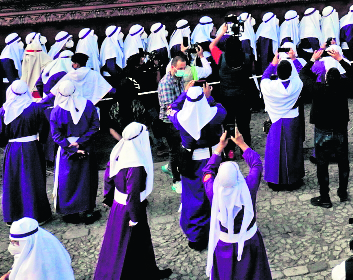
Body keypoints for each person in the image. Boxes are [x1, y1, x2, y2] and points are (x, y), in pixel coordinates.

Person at [93, 122, 173, 280]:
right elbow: (133, 193)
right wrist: (135, 217)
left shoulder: (120, 150)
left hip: (120, 206)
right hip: (129, 211)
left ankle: (146, 272)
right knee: (131, 244)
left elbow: (109, 173)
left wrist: (109, 197)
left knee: (121, 243)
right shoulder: (135, 163)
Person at [201, 128, 272, 280]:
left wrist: (219, 148)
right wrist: (241, 143)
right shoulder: (248, 187)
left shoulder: (212, 190)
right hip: (249, 240)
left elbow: (207, 171)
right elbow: (257, 165)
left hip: (224, 243)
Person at [171, 83, 227, 250]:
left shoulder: (180, 118)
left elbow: (171, 108)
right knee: (215, 194)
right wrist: (208, 97)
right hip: (212, 158)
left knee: (193, 197)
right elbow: (221, 109)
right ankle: (218, 230)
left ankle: (196, 235)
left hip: (190, 160)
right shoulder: (214, 113)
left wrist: (184, 94)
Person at [303, 46, 351, 208]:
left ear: (325, 79)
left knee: (322, 164)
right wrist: (339, 59)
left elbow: (303, 75)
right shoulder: (344, 87)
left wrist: (312, 60)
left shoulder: (318, 89)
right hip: (339, 129)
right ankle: (343, 192)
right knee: (343, 162)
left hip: (322, 130)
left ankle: (325, 197)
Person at [0, 80, 54, 224]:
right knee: (33, 180)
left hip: (13, 150)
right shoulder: (35, 108)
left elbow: (1, 134)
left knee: (14, 181)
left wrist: (6, 143)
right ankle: (37, 214)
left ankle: (14, 215)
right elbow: (44, 128)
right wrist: (40, 141)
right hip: (31, 148)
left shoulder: (5, 110)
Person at [49, 80, 101, 224]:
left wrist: (69, 146)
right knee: (87, 179)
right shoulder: (88, 105)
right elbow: (95, 126)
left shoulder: (56, 111)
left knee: (67, 180)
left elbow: (56, 135)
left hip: (67, 150)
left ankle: (69, 212)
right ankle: (88, 210)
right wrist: (81, 142)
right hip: (86, 147)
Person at [260, 52, 305, 190]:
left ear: (277, 72)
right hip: (292, 119)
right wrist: (293, 59)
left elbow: (264, 77)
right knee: (293, 150)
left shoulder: (270, 86)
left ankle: (275, 180)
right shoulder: (297, 84)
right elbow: (301, 72)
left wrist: (273, 64)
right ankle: (293, 180)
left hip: (276, 119)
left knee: (275, 150)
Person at [4, 216, 75, 280]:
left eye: (15, 242)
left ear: (27, 241)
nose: (13, 245)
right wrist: (10, 273)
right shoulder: (42, 241)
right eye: (11, 242)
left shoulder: (38, 265)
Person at [157, 53, 189, 193]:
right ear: (172, 67)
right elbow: (170, 106)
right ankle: (176, 179)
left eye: (184, 68)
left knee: (180, 149)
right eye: (180, 68)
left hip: (181, 118)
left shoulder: (179, 79)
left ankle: (172, 167)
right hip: (169, 122)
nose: (182, 70)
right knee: (175, 150)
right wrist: (185, 94)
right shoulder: (165, 83)